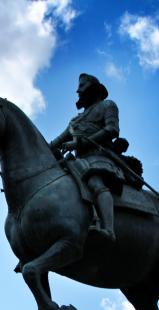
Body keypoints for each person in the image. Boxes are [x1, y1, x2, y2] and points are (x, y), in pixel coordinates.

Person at [49, 73, 124, 241]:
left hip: (99, 157)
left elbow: (112, 130)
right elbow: (59, 140)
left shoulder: (107, 105)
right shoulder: (75, 120)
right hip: (78, 162)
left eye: (82, 86)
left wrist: (79, 144)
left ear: (93, 89)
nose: (78, 90)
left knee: (95, 182)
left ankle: (108, 230)